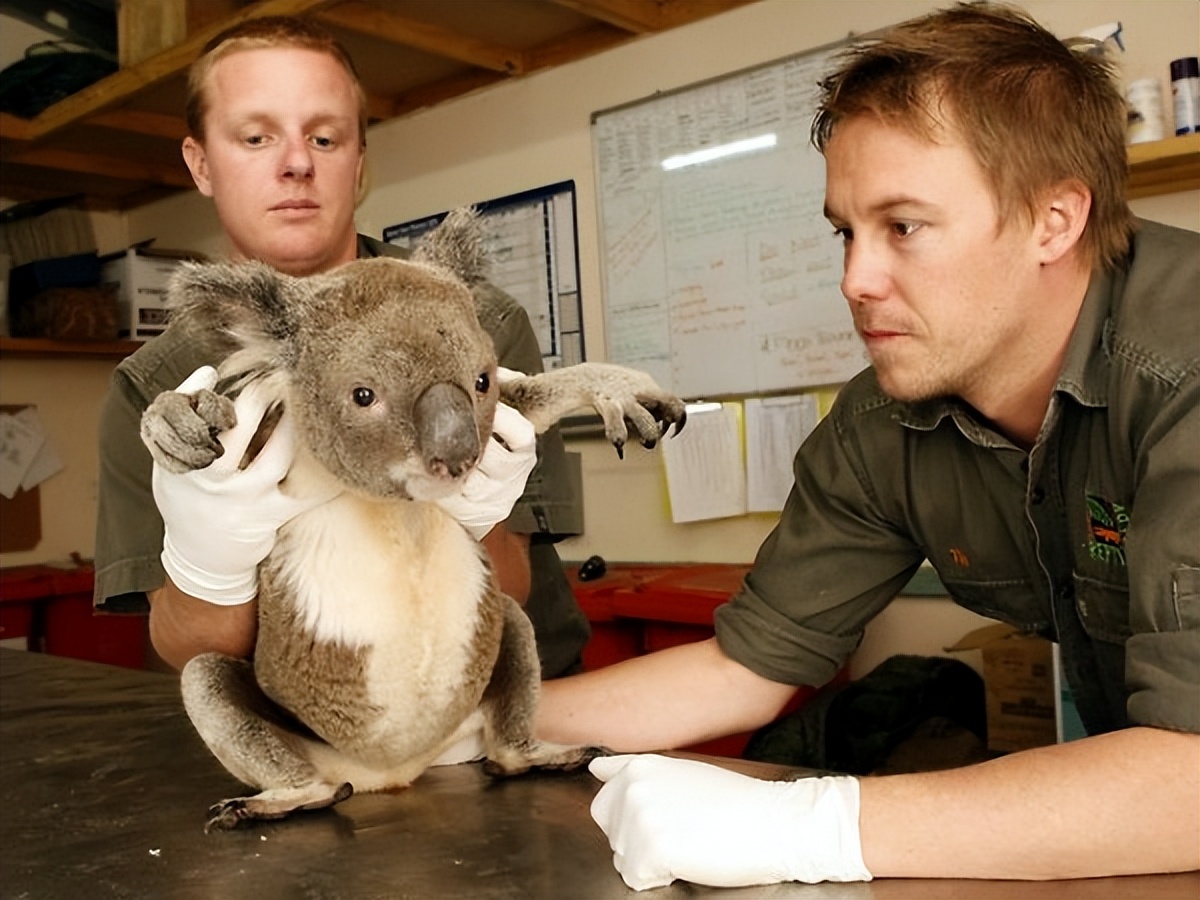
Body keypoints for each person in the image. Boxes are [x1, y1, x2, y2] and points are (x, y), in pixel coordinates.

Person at [535, 2, 1199, 889]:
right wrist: (479, 725)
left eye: (905, 227)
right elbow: (744, 668)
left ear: (1054, 220)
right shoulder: (882, 421)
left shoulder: (1184, 374)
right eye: (846, 230)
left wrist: (805, 822)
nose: (855, 280)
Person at [92, 16, 589, 679]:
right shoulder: (161, 383)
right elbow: (191, 650)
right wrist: (210, 564)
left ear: (357, 163)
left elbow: (511, 588)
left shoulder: (477, 327)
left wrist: (468, 513)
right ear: (201, 164)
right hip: (311, 724)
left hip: (499, 695)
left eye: (324, 137)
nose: (296, 162)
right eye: (255, 137)